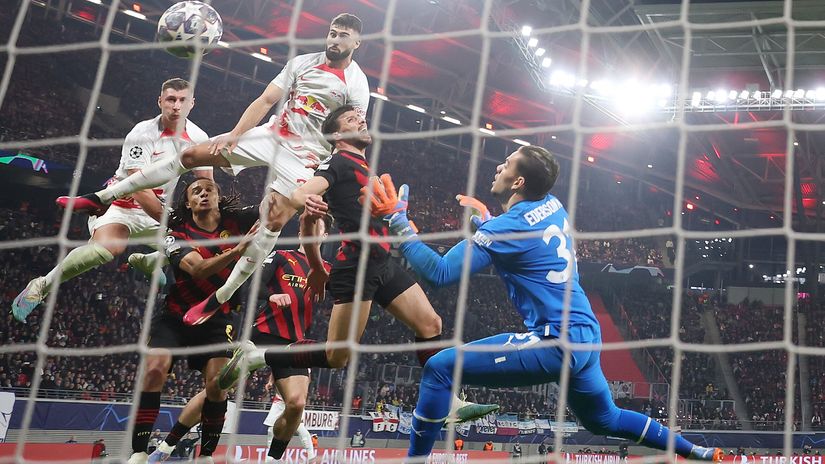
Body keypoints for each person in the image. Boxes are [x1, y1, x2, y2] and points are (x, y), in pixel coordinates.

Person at [362, 145, 725, 462]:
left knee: (440, 368)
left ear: (519, 183)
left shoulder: (504, 230)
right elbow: (524, 237)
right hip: (586, 336)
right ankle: (694, 451)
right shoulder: (553, 205)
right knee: (605, 420)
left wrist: (400, 224)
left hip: (556, 341)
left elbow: (440, 273)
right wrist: (489, 221)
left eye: (506, 165)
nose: (498, 168)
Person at [57, 13, 370, 327]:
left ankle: (220, 296)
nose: (334, 40)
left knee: (270, 223)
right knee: (193, 154)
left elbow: (352, 134)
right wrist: (235, 135)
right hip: (274, 136)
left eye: (343, 36)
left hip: (307, 159)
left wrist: (328, 175)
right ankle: (102, 196)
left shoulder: (356, 85)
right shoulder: (302, 63)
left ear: (355, 43)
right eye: (332, 32)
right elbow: (265, 100)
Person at [218, 106, 498, 423]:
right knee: (338, 357)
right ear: (338, 135)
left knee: (430, 324)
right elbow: (303, 197)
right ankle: (257, 356)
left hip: (381, 260)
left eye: (361, 117)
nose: (361, 120)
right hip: (356, 266)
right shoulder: (338, 162)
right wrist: (304, 204)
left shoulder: (363, 166)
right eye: (351, 119)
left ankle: (445, 403)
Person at [12, 78, 212, 322]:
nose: (176, 106)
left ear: (192, 103)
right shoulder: (142, 133)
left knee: (203, 247)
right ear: (160, 101)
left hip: (158, 209)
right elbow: (139, 187)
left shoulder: (200, 138)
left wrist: (205, 216)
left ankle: (152, 262)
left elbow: (205, 184)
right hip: (122, 205)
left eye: (182, 100)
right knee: (107, 250)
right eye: (170, 99)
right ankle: (41, 286)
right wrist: (174, 224)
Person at [127, 179, 259, 464]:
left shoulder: (238, 221)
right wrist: (236, 252)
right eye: (195, 191)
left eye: (209, 189)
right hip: (175, 314)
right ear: (187, 203)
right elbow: (197, 269)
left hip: (217, 316)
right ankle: (138, 451)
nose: (203, 193)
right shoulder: (176, 234)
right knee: (153, 370)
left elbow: (276, 207)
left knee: (217, 385)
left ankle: (207, 455)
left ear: (218, 196)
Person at [241, 219, 331, 464]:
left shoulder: (326, 270)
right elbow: (252, 284)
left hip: (293, 344)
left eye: (317, 229)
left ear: (324, 236)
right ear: (300, 233)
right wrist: (272, 295)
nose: (310, 232)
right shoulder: (281, 256)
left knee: (296, 405)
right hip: (262, 335)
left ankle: (273, 460)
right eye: (307, 228)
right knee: (217, 388)